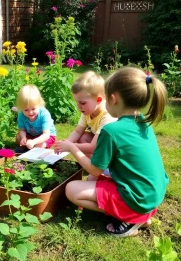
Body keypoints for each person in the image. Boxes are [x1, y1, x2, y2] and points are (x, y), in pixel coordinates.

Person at [54, 67, 169, 237]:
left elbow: (94, 169)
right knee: (94, 181)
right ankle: (140, 216)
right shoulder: (143, 121)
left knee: (71, 189)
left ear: (113, 99)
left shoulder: (112, 130)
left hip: (137, 199)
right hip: (152, 195)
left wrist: (73, 148)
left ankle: (130, 219)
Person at [65, 71, 116, 160]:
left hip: (113, 148)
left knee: (93, 146)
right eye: (76, 102)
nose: (78, 106)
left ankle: (102, 167)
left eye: (82, 103)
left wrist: (70, 146)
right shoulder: (87, 111)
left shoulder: (107, 116)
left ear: (98, 100)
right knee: (83, 136)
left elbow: (93, 147)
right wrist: (66, 143)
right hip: (100, 142)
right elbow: (78, 131)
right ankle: (93, 164)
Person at [15, 84, 56, 151]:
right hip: (31, 134)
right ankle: (23, 150)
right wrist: (23, 138)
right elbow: (22, 130)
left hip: (45, 136)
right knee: (18, 138)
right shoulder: (21, 114)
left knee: (39, 146)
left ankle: (32, 150)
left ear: (39, 104)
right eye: (26, 110)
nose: (30, 112)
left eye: (33, 109)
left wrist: (34, 142)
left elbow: (46, 134)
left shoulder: (44, 114)